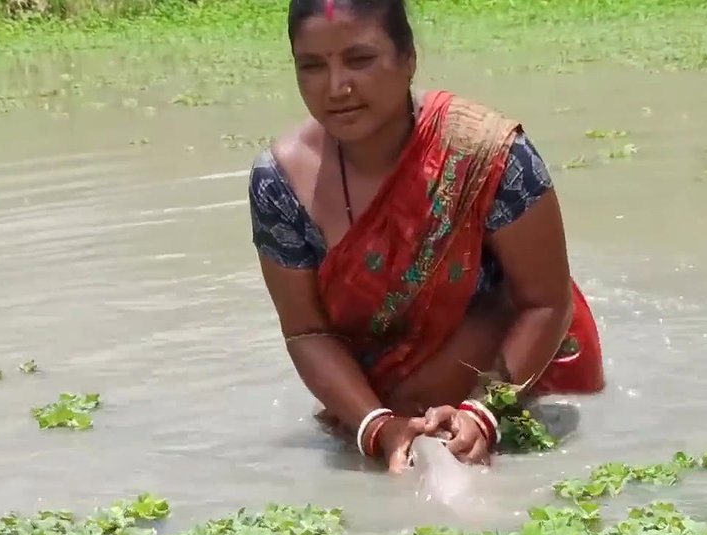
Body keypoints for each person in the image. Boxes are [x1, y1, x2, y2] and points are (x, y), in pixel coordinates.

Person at [248, 0, 606, 474]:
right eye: (312, 66)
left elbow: (546, 303)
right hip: (376, 404)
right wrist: (378, 427)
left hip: (527, 382)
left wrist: (484, 411)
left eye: (360, 59)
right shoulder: (280, 183)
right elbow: (306, 331)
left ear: (408, 59)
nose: (337, 87)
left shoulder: (489, 154)